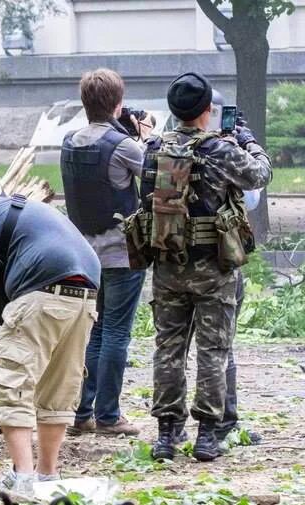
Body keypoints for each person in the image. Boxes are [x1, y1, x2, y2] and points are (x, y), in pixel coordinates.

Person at [133, 72, 271, 462]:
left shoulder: (154, 147)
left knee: (168, 348)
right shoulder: (219, 149)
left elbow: (144, 197)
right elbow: (259, 174)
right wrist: (248, 141)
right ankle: (208, 435)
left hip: (168, 263)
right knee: (213, 349)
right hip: (214, 266)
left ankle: (166, 434)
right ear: (207, 110)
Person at [0, 171, 100, 497]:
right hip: (87, 292)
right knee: (58, 386)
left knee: (12, 383)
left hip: (40, 293)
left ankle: (23, 478)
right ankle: (48, 475)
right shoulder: (28, 210)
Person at [61, 68, 154, 437]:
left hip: (83, 253)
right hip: (122, 252)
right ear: (118, 104)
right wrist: (143, 136)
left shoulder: (69, 141)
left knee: (92, 333)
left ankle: (83, 412)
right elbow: (155, 175)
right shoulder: (125, 145)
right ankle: (110, 416)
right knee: (116, 332)